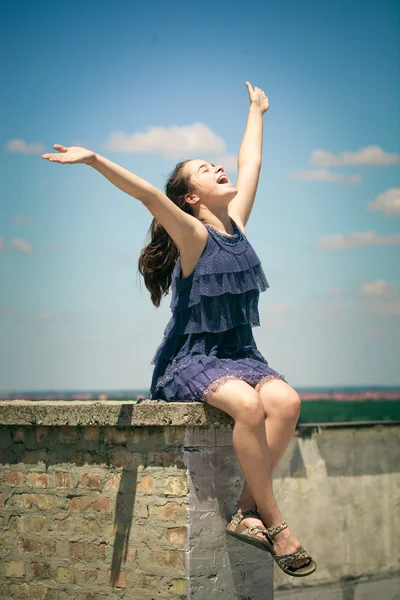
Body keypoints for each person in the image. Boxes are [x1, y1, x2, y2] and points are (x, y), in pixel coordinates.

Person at [42, 81, 316, 577]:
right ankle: (273, 523)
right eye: (205, 170)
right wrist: (96, 159)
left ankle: (245, 510)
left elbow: (251, 162)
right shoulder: (192, 233)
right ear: (191, 196)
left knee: (288, 402)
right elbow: (147, 193)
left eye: (216, 163)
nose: (219, 168)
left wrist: (257, 111)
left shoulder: (237, 228)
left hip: (241, 355)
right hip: (194, 360)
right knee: (247, 405)